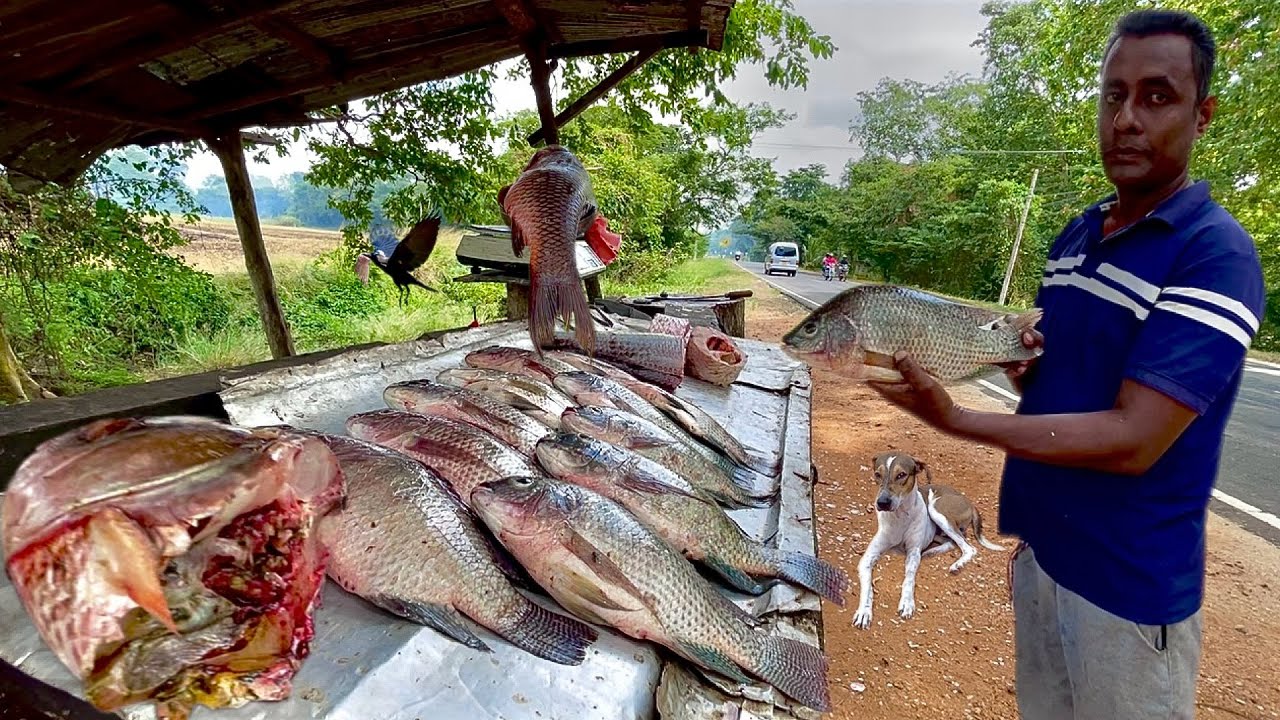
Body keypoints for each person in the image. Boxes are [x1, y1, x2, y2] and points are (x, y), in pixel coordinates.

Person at [867, 10, 1265, 720]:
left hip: (1127, 590)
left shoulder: (1214, 254)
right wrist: (1027, 373)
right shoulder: (1077, 237)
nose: (1127, 119)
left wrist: (955, 418)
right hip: (1044, 558)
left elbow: (1135, 437)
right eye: (1114, 96)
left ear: (1201, 115)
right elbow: (1059, 378)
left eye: (1157, 96)